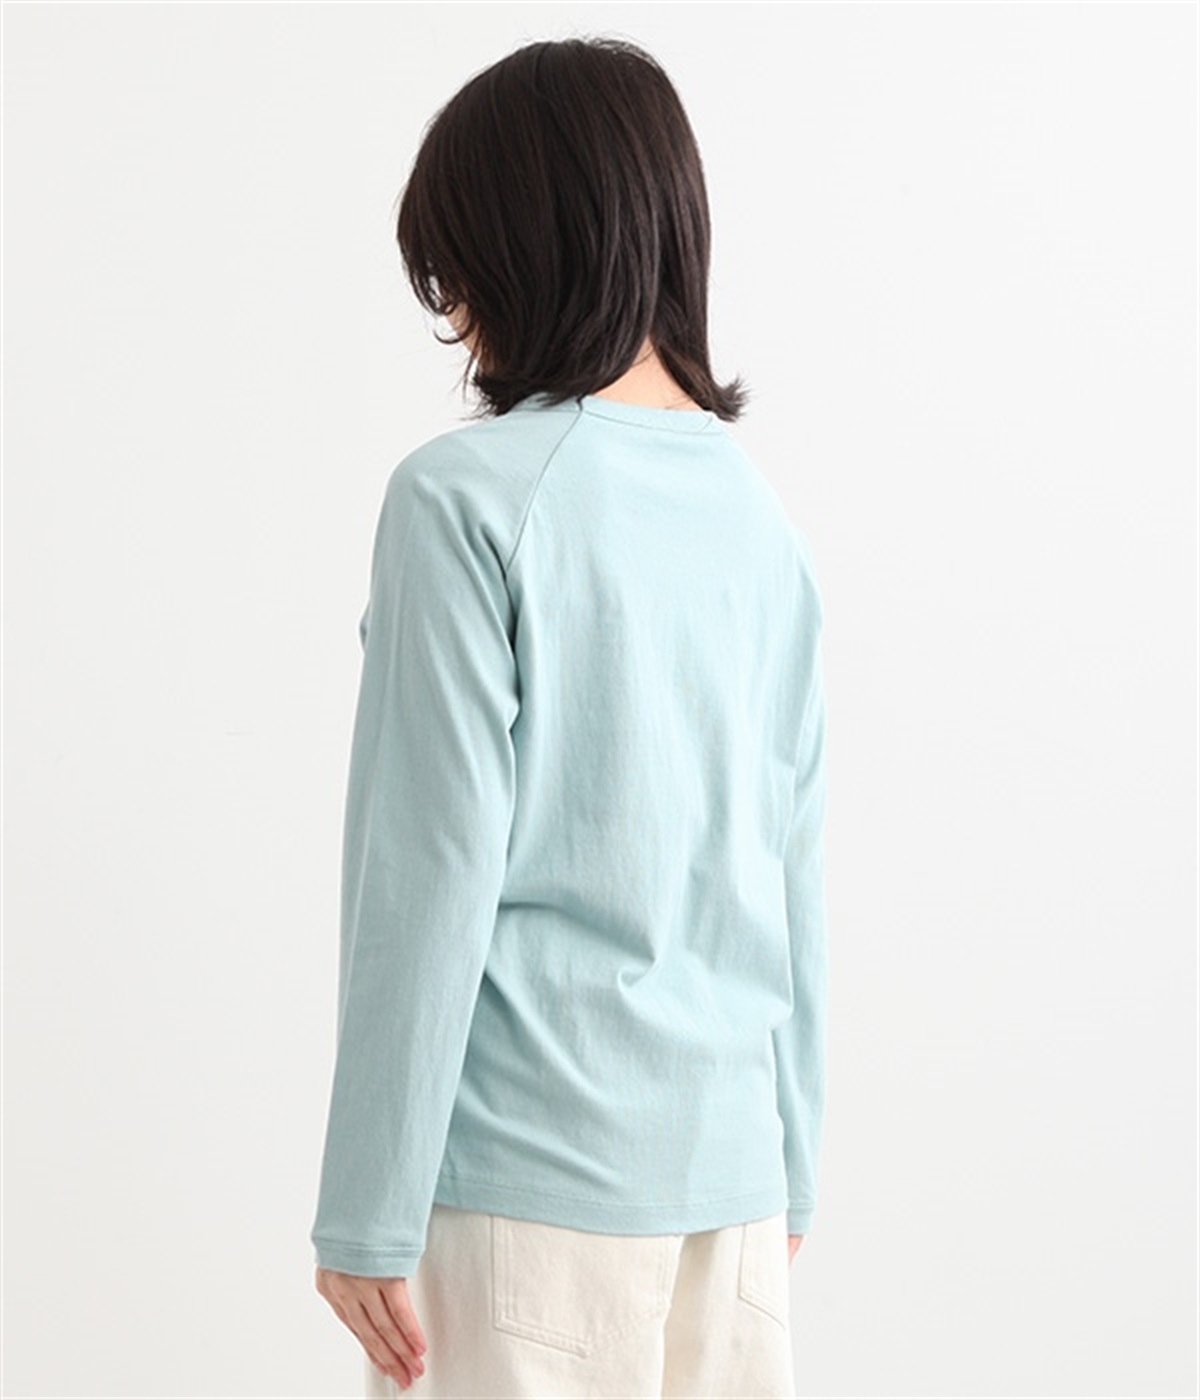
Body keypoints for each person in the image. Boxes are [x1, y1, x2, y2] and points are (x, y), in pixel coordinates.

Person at [309, 34, 829, 1400]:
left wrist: (366, 1205)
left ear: (519, 253)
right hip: (735, 1192)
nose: (458, 321)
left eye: (455, 279)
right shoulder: (763, 525)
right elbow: (792, 872)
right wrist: (793, 1167)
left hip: (523, 1199)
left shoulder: (462, 501)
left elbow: (428, 875)